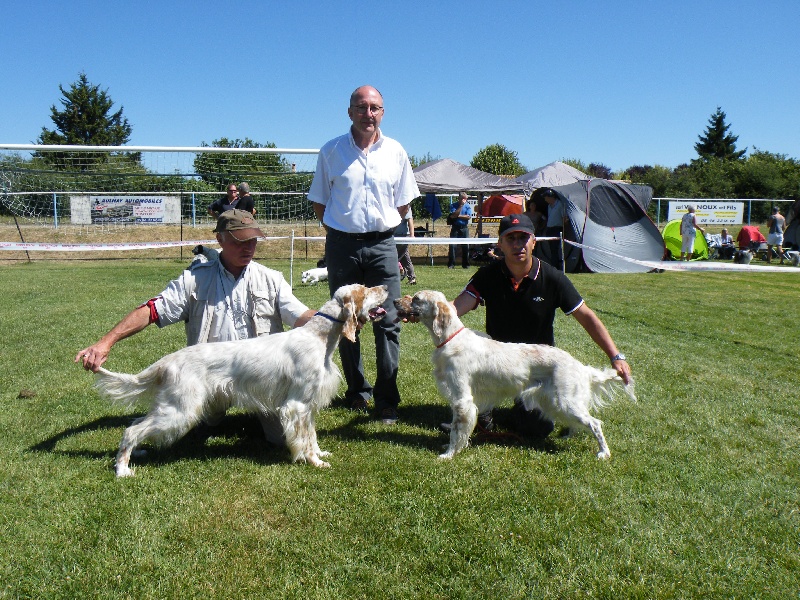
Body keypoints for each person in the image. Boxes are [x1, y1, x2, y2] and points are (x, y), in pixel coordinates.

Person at [75, 209, 316, 443]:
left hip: (261, 376)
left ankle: (256, 414)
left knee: (283, 438)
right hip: (209, 374)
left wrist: (337, 316)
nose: (248, 248)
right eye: (239, 241)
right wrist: (106, 342)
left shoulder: (271, 279)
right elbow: (152, 310)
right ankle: (209, 416)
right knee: (184, 425)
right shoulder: (194, 279)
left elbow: (300, 315)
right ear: (219, 239)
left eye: (252, 241)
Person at [437, 213, 632, 438]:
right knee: (474, 358)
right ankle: (483, 409)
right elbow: (454, 309)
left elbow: (587, 317)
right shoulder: (487, 275)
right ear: (500, 244)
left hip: (536, 367)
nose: (518, 244)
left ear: (534, 242)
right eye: (510, 239)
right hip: (495, 362)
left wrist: (615, 356)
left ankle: (523, 408)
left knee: (535, 431)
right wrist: (422, 311)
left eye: (523, 238)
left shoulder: (553, 278)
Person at [308, 85, 420, 425]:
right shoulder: (331, 151)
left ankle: (387, 400)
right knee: (346, 320)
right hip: (341, 245)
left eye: (374, 107)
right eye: (361, 107)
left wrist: (377, 232)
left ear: (382, 112)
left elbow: (403, 202)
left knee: (389, 321)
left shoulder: (397, 152)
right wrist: (342, 234)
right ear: (350, 111)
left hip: (383, 245)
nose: (367, 113)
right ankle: (357, 392)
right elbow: (319, 202)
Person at [448, 192, 473, 269]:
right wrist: (461, 206)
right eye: (463, 199)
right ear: (459, 198)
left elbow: (468, 217)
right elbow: (452, 216)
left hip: (464, 228)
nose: (464, 200)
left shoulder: (468, 206)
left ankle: (466, 264)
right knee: (453, 246)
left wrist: (458, 216)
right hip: (455, 227)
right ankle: (451, 264)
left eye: (465, 199)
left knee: (465, 246)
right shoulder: (453, 205)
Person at [542, 189, 566, 269]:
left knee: (557, 249)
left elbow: (564, 218)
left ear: (550, 197)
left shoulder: (560, 205)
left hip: (557, 229)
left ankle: (557, 266)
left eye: (546, 197)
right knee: (552, 250)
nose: (545, 200)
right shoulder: (549, 206)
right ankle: (554, 265)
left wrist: (563, 228)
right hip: (550, 229)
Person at [395, 205, 417, 285]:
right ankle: (412, 277)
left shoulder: (405, 205)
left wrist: (412, 235)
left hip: (402, 235)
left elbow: (410, 220)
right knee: (405, 257)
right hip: (394, 235)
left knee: (394, 257)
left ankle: (397, 276)